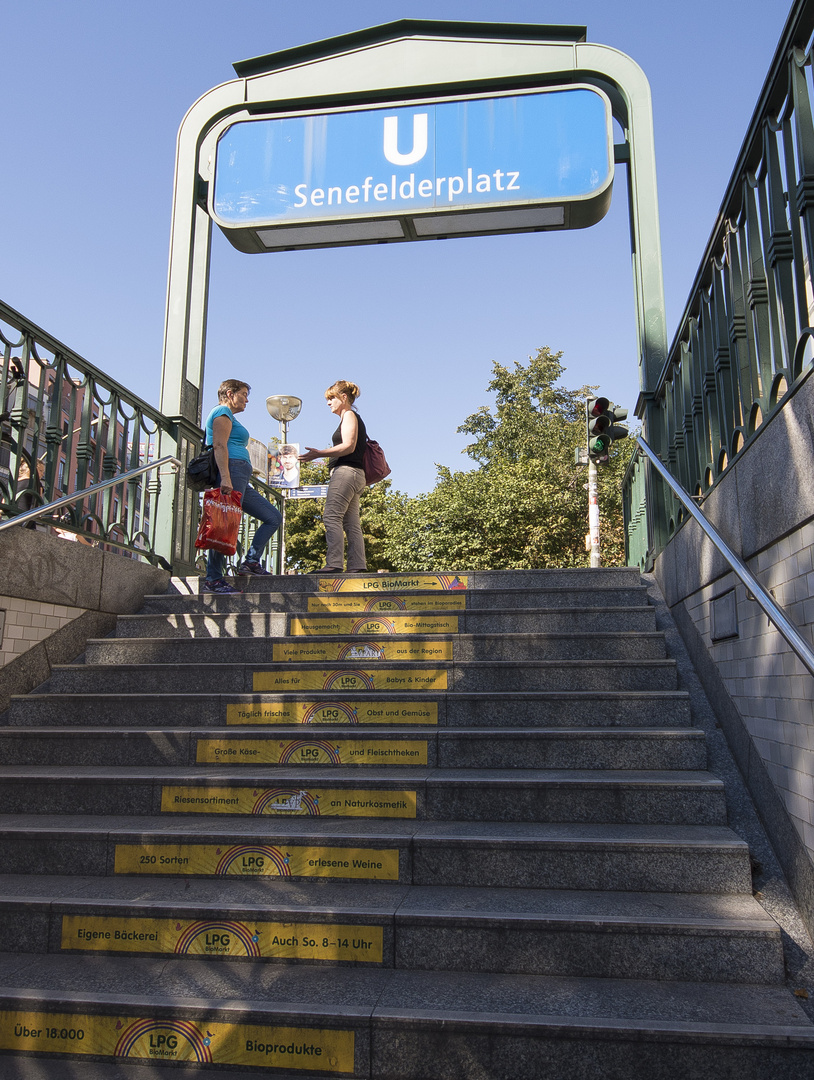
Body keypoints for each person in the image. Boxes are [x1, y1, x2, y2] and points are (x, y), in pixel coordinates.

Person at [202, 379, 282, 594]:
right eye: (244, 394)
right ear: (230, 393)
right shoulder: (222, 412)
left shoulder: (228, 416)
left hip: (240, 476)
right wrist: (226, 477)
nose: (247, 399)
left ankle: (251, 562)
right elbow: (218, 445)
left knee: (273, 517)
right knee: (225, 522)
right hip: (232, 472)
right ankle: (213, 579)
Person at [299, 379, 367, 573]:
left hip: (346, 472)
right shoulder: (349, 417)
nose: (328, 403)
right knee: (351, 522)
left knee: (331, 516)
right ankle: (357, 566)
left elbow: (348, 446)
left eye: (331, 398)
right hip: (354, 474)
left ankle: (334, 564)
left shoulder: (349, 415)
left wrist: (319, 453)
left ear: (343, 397)